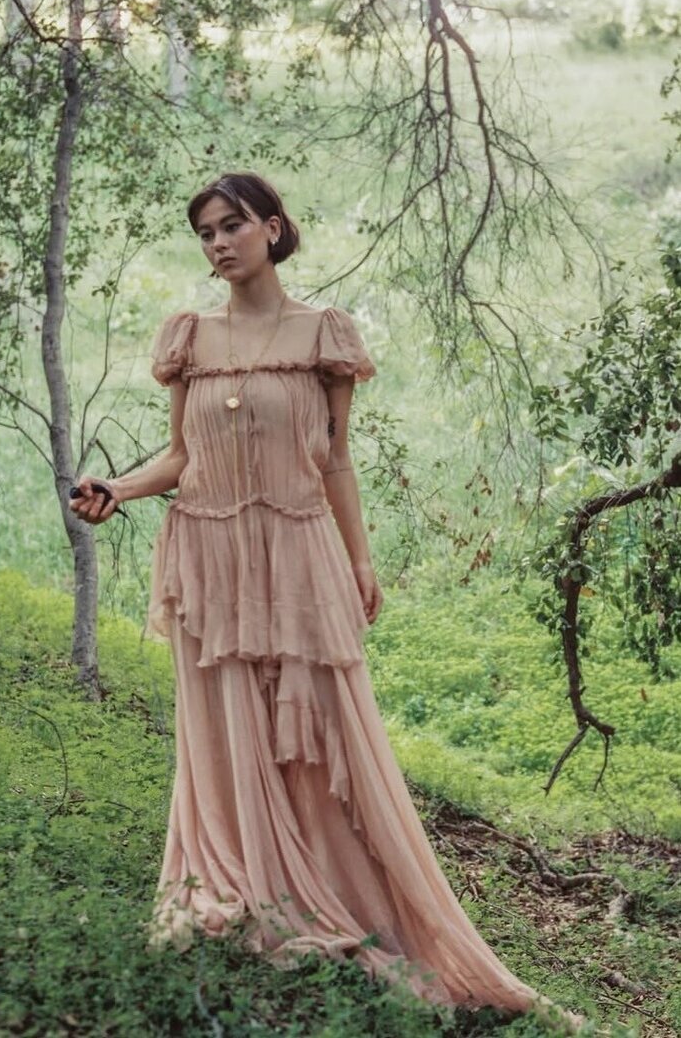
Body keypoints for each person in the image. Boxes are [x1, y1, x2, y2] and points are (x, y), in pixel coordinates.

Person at [70, 171, 585, 1032]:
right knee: (224, 726)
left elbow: (336, 460)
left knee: (319, 728)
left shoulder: (323, 334)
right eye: (205, 232)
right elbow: (181, 456)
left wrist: (360, 559)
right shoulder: (190, 337)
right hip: (209, 553)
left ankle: (335, 891)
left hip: (300, 549)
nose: (218, 243)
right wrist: (115, 489)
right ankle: (244, 885)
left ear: (273, 229)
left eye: (232, 225)